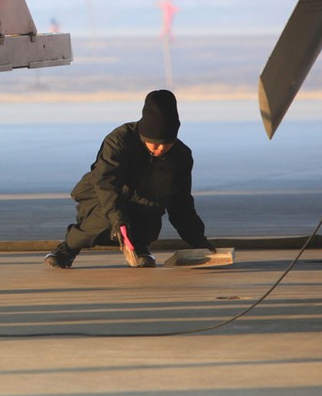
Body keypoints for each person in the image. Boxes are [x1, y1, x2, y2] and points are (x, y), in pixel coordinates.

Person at [44, 90, 214, 269]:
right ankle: (68, 247)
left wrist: (198, 241)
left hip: (143, 201)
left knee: (152, 209)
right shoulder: (119, 140)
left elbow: (181, 203)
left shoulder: (181, 155)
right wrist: (118, 219)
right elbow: (106, 182)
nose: (160, 149)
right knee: (105, 220)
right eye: (155, 144)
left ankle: (139, 246)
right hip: (102, 196)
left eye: (167, 144)